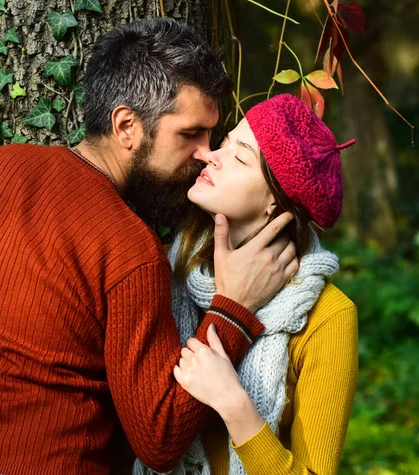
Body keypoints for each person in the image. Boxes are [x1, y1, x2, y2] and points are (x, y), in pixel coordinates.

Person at [0, 19, 298, 475]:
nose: (204, 152)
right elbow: (159, 438)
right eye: (189, 134)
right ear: (126, 126)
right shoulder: (129, 247)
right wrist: (235, 308)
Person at [138, 94, 357, 474]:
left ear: (276, 203)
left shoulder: (327, 317)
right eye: (225, 142)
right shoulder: (158, 268)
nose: (211, 156)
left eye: (239, 157)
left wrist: (235, 404)